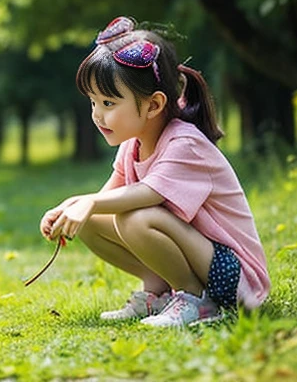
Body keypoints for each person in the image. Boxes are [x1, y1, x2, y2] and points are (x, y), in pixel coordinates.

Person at [39, 16, 270, 327]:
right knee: (93, 219)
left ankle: (196, 299)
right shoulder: (133, 144)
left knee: (135, 216)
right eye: (93, 102)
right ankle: (158, 293)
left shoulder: (184, 143)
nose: (97, 115)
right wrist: (69, 209)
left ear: (153, 105)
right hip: (200, 257)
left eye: (108, 102)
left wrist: (89, 202)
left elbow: (147, 195)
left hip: (232, 275)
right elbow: (109, 195)